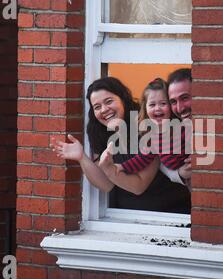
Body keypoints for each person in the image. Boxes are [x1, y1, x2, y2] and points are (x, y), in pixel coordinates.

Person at [51, 77, 190, 213]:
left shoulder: (146, 126)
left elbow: (138, 186)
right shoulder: (102, 133)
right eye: (97, 107)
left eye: (109, 101)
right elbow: (106, 184)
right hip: (125, 216)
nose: (104, 109)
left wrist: (110, 170)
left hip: (168, 214)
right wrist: (81, 157)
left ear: (122, 99)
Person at [100, 78, 191, 190]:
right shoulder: (151, 136)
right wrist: (122, 166)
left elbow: (195, 142)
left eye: (163, 103)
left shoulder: (180, 128)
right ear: (145, 108)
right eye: (152, 104)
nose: (157, 108)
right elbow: (142, 159)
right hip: (183, 178)